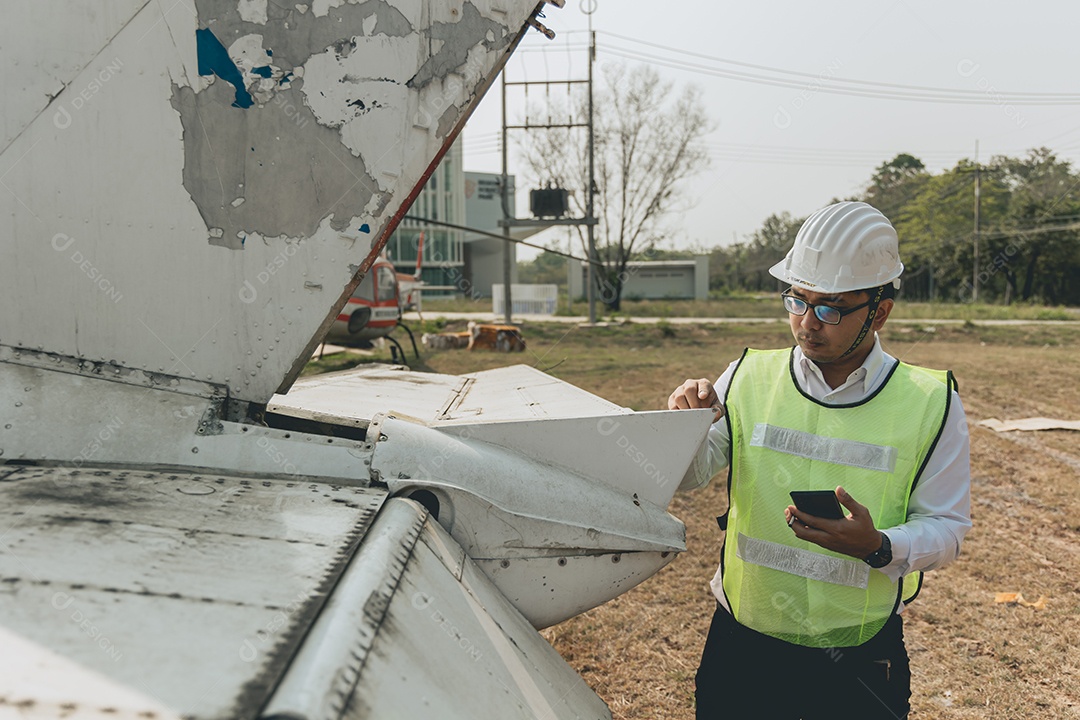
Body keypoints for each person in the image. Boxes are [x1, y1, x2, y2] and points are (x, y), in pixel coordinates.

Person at [669, 201, 971, 719]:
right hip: (743, 648)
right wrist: (683, 426)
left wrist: (879, 546)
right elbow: (691, 476)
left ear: (879, 311)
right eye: (796, 300)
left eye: (829, 308)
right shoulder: (746, 376)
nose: (807, 323)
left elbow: (947, 527)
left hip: (858, 656)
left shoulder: (929, 401)